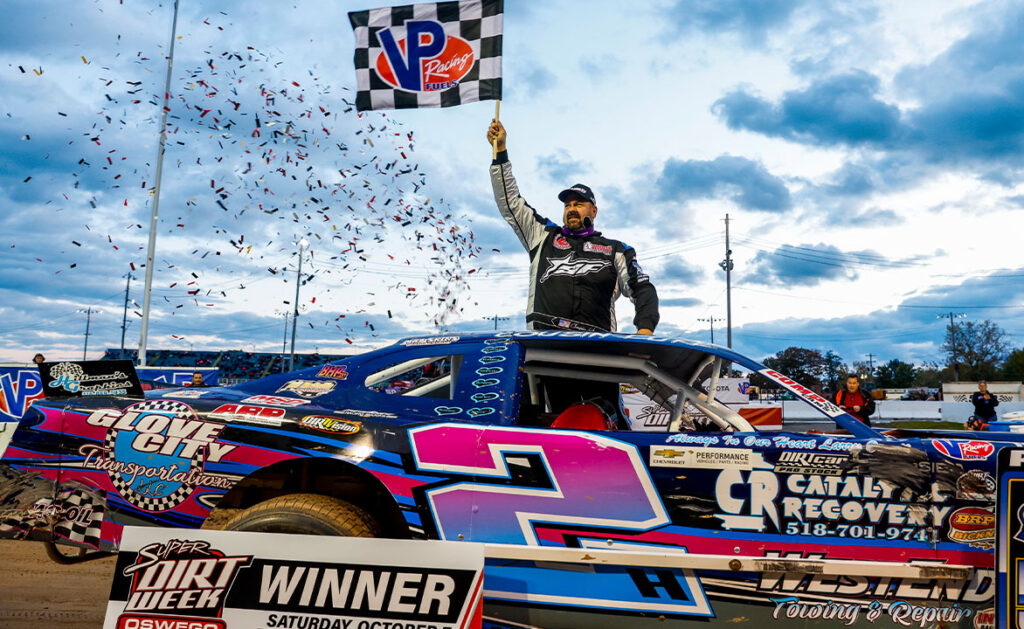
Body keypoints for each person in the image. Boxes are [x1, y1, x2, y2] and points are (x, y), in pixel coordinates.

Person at [486, 119, 659, 334]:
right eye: (568, 205)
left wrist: (645, 329)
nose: (572, 208)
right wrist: (500, 152)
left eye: (579, 203)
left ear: (594, 211)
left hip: (596, 347)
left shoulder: (616, 250)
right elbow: (510, 201)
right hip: (544, 344)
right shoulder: (542, 236)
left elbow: (642, 288)